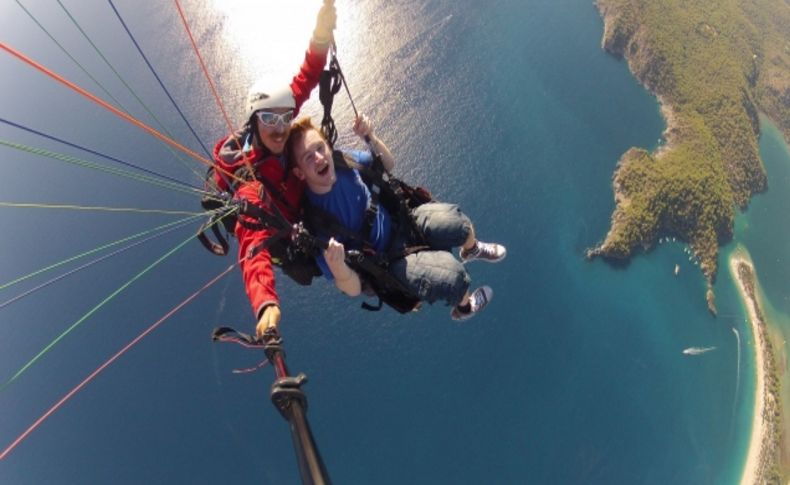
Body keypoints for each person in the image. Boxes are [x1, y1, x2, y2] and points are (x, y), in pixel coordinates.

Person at [286, 115, 507, 320]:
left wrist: (370, 136)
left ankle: (472, 249)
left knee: (461, 225)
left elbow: (388, 164)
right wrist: (338, 267)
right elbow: (353, 289)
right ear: (299, 173)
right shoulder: (316, 225)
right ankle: (465, 308)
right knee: (455, 277)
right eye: (308, 157)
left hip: (402, 221)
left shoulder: (343, 160)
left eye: (320, 147)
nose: (319, 158)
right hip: (390, 262)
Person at [211, 0, 336, 338]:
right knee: (314, 264)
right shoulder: (249, 180)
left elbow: (307, 76)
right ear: (254, 122)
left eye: (285, 118)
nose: (281, 128)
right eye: (269, 120)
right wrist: (266, 304)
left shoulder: (278, 115)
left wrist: (321, 36)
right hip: (287, 223)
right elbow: (251, 244)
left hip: (299, 200)